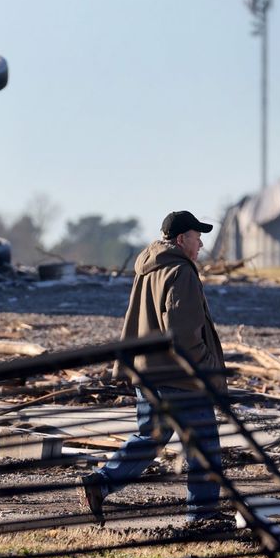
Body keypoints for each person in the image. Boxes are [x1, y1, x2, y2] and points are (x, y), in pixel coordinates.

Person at [81, 210, 227, 524]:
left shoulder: (148, 267)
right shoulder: (180, 271)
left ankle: (101, 482)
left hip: (147, 372)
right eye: (197, 237)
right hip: (180, 377)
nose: (200, 244)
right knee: (204, 446)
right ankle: (203, 515)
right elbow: (183, 332)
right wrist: (205, 367)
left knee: (150, 438)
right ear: (180, 239)